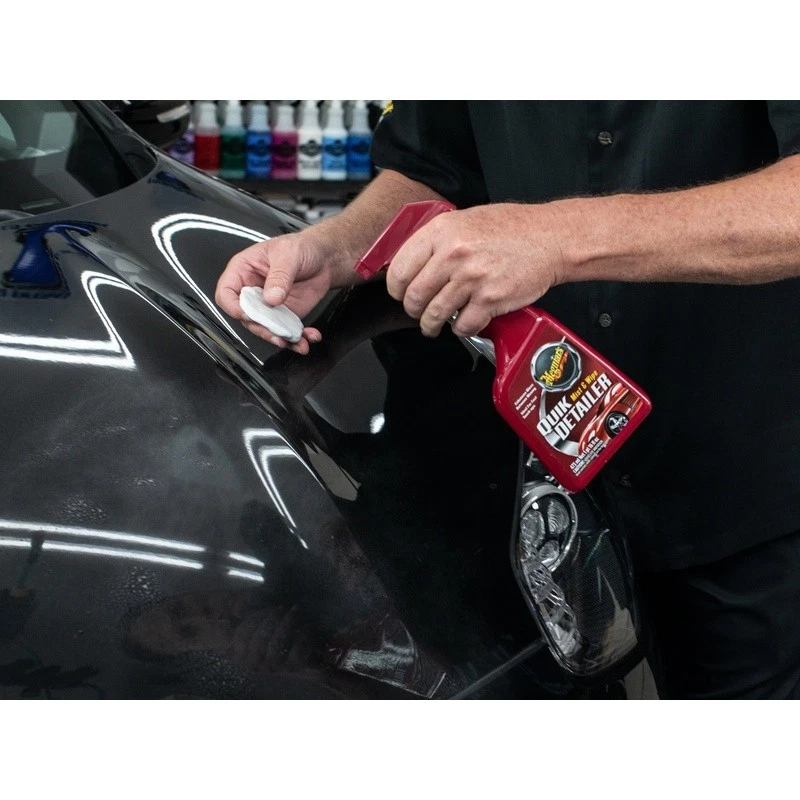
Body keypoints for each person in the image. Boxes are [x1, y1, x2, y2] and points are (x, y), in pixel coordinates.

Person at [216, 101, 800, 699]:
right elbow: (435, 166)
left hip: (741, 494)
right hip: (520, 511)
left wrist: (557, 238)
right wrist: (341, 247)